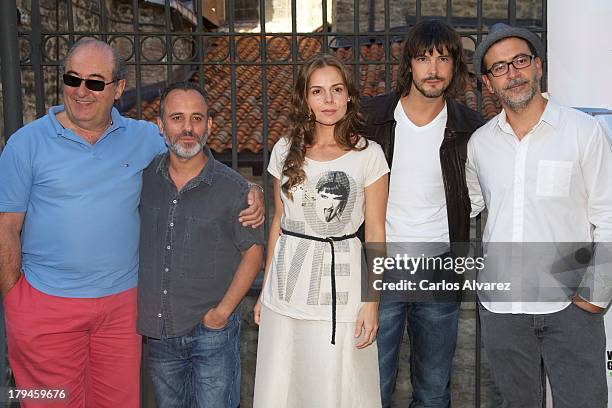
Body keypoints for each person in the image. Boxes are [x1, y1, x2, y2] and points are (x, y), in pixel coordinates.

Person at [0, 38, 263, 407]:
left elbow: (192, 156)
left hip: (121, 311)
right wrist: (15, 301)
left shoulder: (144, 137)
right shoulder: (25, 144)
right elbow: (6, 227)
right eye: (72, 79)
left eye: (95, 82)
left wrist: (252, 188)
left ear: (118, 88)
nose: (81, 91)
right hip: (46, 306)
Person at [467, 23, 612, 407]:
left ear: (538, 66)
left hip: (571, 305)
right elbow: (467, 205)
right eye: (499, 67)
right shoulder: (480, 145)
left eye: (520, 61)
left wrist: (596, 294)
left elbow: (608, 213)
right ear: (487, 83)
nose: (512, 74)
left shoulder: (583, 131)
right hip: (503, 310)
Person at [252, 54, 389, 407]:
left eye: (336, 90)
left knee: (338, 387)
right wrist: (265, 288)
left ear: (348, 97)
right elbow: (278, 223)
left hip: (342, 289)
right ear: (305, 99)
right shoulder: (285, 149)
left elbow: (375, 232)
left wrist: (371, 301)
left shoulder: (369, 155)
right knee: (284, 385)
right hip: (285, 286)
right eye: (318, 91)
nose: (328, 100)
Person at [361, 20, 484, 407]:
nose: (433, 69)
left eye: (443, 59)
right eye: (423, 58)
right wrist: (254, 190)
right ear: (408, 65)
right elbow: (312, 154)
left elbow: (480, 191)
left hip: (439, 268)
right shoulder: (369, 118)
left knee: (433, 391)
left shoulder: (470, 128)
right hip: (381, 268)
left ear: (455, 67)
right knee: (372, 386)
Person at [137, 82, 264, 407]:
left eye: (197, 118)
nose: (187, 128)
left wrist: (222, 313)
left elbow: (253, 254)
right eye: (177, 118)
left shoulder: (234, 189)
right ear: (161, 126)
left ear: (210, 125)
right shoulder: (143, 179)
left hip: (212, 333)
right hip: (160, 332)